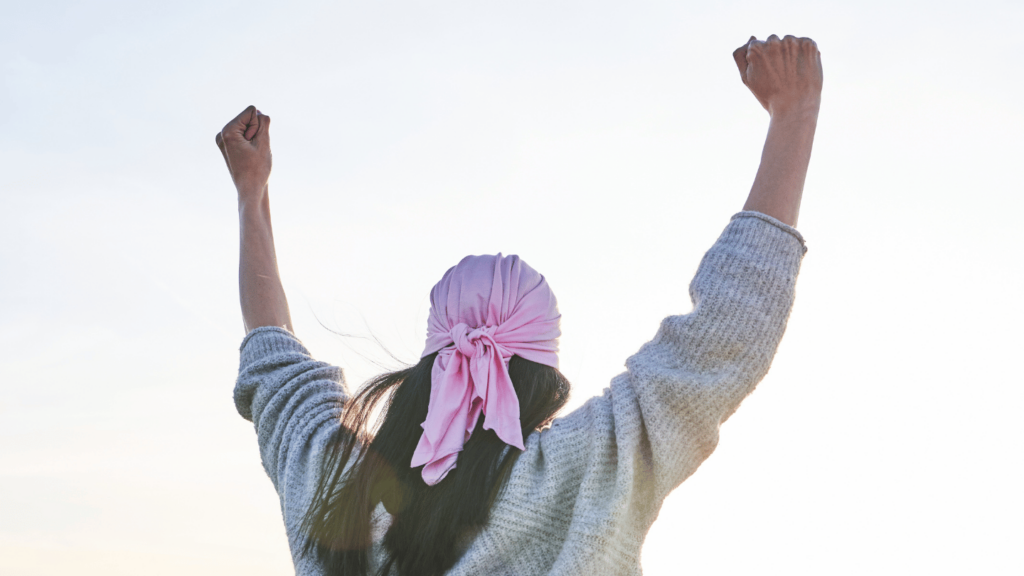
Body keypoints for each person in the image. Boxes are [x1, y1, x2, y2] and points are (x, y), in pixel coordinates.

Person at [217, 34, 823, 576]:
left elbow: (275, 364)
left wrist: (252, 192)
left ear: (432, 356)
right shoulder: (587, 471)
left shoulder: (333, 487)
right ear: (541, 373)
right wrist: (793, 113)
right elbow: (725, 329)